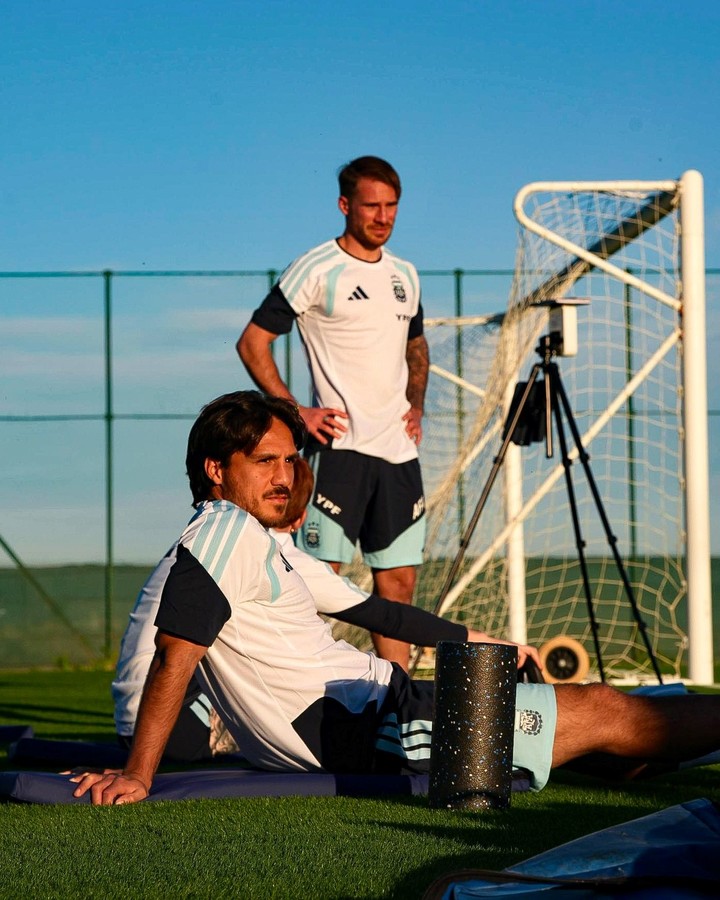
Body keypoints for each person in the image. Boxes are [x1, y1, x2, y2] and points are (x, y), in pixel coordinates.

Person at [72, 391, 720, 807]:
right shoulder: (222, 533)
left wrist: (487, 641)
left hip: (378, 707)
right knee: (603, 709)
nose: (285, 476)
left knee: (608, 746)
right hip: (367, 730)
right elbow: (176, 653)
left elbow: (380, 613)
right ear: (216, 470)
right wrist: (138, 774)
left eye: (290, 461)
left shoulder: (262, 545)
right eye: (264, 461)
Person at [110, 449, 525, 763]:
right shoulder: (264, 549)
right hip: (176, 725)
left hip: (140, 719)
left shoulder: (206, 538)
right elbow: (385, 614)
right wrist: (481, 641)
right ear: (300, 518)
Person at [237, 156, 429, 670]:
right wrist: (295, 412)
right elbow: (253, 343)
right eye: (371, 206)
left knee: (399, 586)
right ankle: (290, 694)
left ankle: (397, 701)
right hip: (339, 451)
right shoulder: (316, 268)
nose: (382, 217)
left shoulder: (406, 275)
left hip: (398, 454)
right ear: (345, 205)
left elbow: (416, 346)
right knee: (316, 585)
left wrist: (416, 405)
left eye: (391, 206)